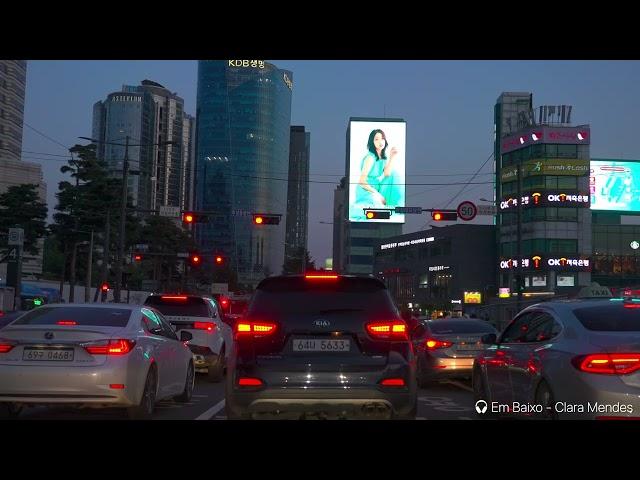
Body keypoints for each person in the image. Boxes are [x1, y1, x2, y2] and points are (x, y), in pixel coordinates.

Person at [355, 129, 402, 212]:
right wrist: (378, 195)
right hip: (367, 190)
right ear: (372, 142)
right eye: (376, 139)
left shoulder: (383, 157)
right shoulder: (370, 158)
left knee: (394, 174)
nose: (380, 141)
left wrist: (392, 157)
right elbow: (362, 182)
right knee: (375, 207)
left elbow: (387, 174)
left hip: (377, 187)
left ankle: (394, 205)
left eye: (382, 138)